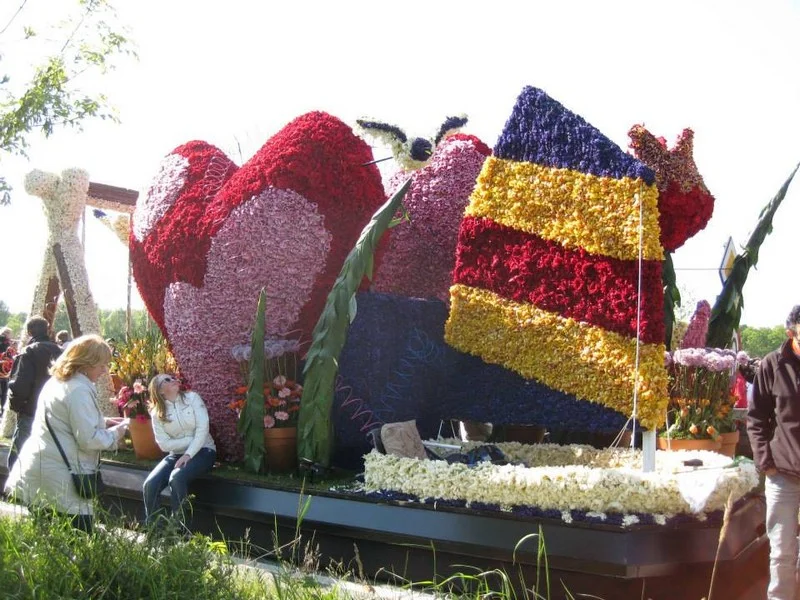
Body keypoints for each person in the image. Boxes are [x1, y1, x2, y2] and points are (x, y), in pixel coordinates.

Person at [3, 335, 129, 532]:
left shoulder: (58, 382)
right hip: (63, 478)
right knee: (80, 543)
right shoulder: (79, 390)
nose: (105, 370)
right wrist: (117, 433)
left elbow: (64, 420)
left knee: (49, 543)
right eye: (102, 364)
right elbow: (88, 439)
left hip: (42, 471)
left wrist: (104, 421)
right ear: (86, 362)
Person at [747, 304, 800, 600]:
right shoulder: (772, 365)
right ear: (790, 333)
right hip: (782, 473)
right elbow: (756, 418)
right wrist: (765, 461)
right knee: (782, 552)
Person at [142, 373, 216, 527]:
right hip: (176, 455)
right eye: (167, 380)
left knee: (176, 478)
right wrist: (189, 442)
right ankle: (155, 532)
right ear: (160, 391)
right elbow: (163, 444)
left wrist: (188, 453)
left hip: (204, 451)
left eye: (172, 377)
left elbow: (203, 429)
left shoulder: (193, 398)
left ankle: (180, 531)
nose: (173, 380)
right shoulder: (156, 413)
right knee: (150, 484)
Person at [6, 316, 62, 469]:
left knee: (18, 455)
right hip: (54, 410)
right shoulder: (60, 352)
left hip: (30, 410)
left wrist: (17, 406)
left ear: (30, 332)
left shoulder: (29, 351)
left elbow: (21, 385)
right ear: (48, 330)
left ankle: (13, 489)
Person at [0, 326, 17, 416]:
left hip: (4, 371)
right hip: (5, 371)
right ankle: (2, 411)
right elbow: (13, 357)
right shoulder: (9, 345)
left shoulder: (9, 344)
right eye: (10, 334)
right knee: (4, 392)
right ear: (6, 334)